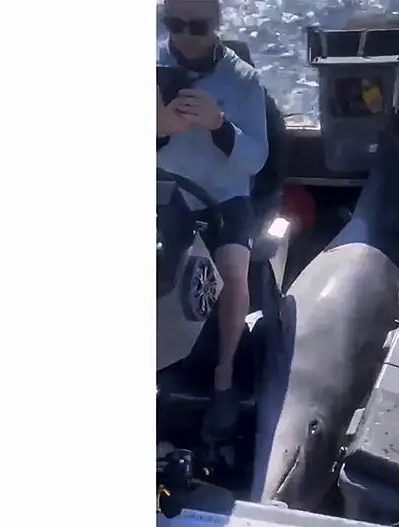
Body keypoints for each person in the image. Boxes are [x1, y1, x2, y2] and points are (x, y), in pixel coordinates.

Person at [156, 0, 269, 438]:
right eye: (174, 24)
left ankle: (224, 377)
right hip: (166, 189)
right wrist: (160, 129)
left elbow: (256, 159)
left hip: (224, 194)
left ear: (217, 24)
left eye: (197, 26)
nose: (185, 34)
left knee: (233, 274)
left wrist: (219, 124)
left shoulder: (243, 80)